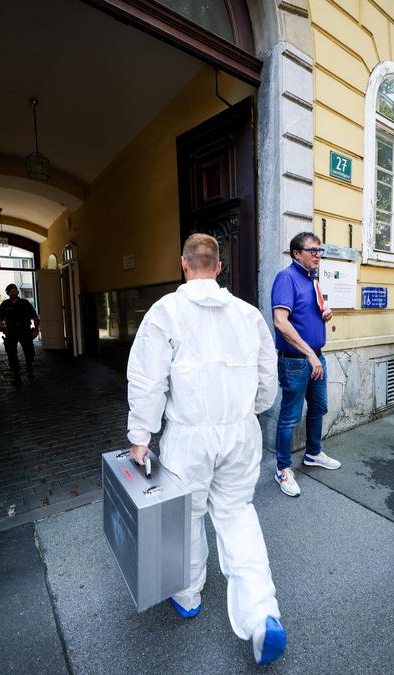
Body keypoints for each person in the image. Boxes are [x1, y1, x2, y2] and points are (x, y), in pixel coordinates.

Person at [126, 234, 286, 665]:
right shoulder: (248, 314)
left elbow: (147, 380)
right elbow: (267, 378)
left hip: (188, 436)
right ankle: (261, 614)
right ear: (219, 267)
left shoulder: (165, 313)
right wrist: (251, 410)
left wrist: (141, 436)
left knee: (188, 515)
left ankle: (188, 595)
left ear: (183, 264)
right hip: (239, 431)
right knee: (236, 514)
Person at [270, 232, 341, 497]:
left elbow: (305, 314)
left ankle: (313, 453)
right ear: (296, 253)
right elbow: (281, 322)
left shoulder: (312, 279)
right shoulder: (286, 277)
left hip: (315, 357)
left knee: (319, 408)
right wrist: (309, 355)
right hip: (297, 361)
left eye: (320, 251)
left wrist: (324, 312)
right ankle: (282, 469)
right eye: (312, 250)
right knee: (289, 418)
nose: (317, 255)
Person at [0, 283, 39, 378]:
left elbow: (35, 316)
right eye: (11, 292)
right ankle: (16, 374)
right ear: (8, 293)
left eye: (15, 291)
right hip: (11, 332)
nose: (13, 293)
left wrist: (36, 329)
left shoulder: (25, 303)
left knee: (29, 352)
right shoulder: (5, 304)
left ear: (17, 292)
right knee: (11, 354)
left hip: (25, 331)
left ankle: (29, 370)